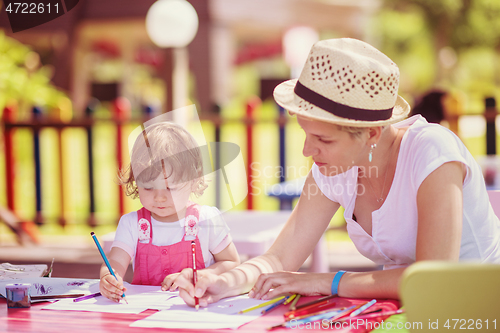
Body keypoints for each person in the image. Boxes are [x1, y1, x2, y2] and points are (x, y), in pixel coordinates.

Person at [172, 38, 500, 307]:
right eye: (306, 133)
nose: (306, 150)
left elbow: (432, 279)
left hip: (476, 310)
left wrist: (327, 281)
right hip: (409, 311)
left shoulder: (431, 151)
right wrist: (222, 283)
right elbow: (279, 258)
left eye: (323, 139)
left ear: (372, 133)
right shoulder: (334, 168)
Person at [99, 122, 240, 302]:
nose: (159, 197)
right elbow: (115, 262)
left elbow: (231, 263)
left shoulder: (207, 220)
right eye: (148, 188)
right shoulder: (132, 224)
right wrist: (109, 277)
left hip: (197, 310)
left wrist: (197, 276)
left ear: (193, 180)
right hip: (144, 314)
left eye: (170, 188)